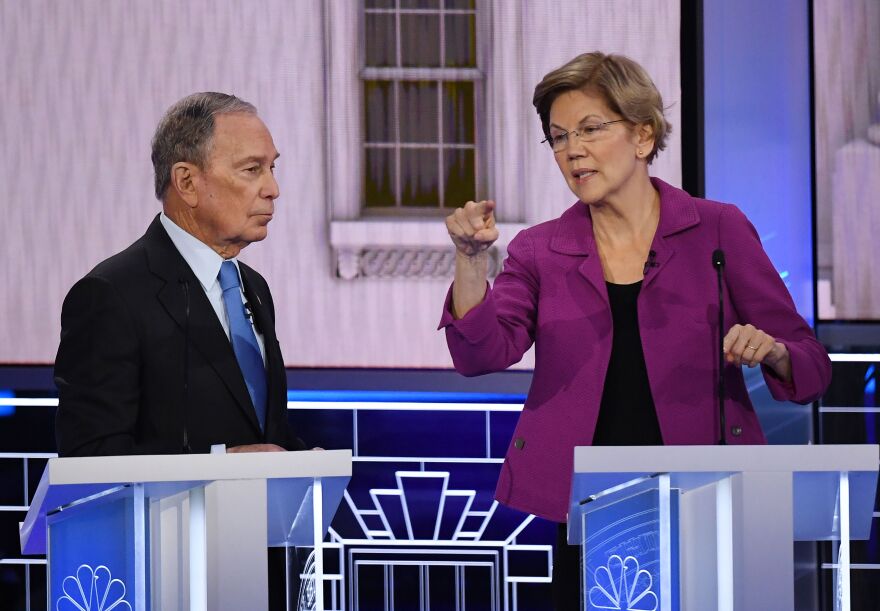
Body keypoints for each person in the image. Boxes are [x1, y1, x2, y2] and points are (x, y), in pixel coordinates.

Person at [439, 52, 831, 609]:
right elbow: (480, 353)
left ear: (643, 136)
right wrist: (470, 261)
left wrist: (774, 353)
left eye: (591, 129)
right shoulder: (540, 250)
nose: (572, 150)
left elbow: (812, 365)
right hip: (592, 504)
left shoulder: (718, 229)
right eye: (557, 137)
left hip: (706, 494)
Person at [55, 92, 303, 457]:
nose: (272, 189)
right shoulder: (110, 295)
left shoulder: (253, 287)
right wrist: (217, 465)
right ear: (186, 182)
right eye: (252, 169)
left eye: (272, 169)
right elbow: (91, 458)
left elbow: (263, 433)